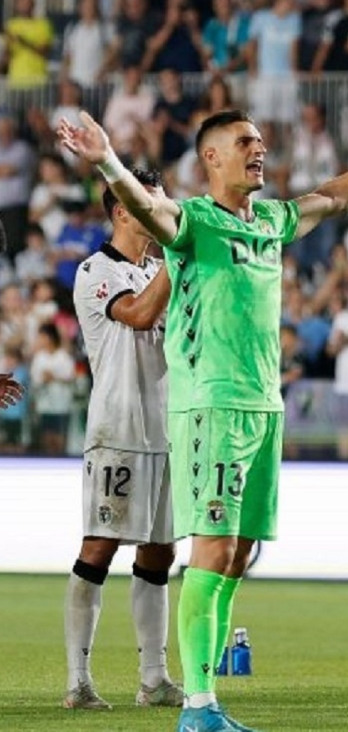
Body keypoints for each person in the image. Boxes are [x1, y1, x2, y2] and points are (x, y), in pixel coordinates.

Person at [58, 106, 348, 732]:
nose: (259, 149)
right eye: (244, 142)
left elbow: (337, 197)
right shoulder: (193, 223)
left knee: (239, 554)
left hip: (264, 407)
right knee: (210, 550)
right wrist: (107, 160)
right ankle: (198, 706)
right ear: (211, 158)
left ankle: (197, 695)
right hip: (209, 404)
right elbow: (153, 211)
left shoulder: (273, 221)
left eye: (260, 141)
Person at [64, 167, 181, 711]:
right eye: (146, 204)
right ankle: (78, 681)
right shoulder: (96, 271)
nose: (157, 215)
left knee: (160, 554)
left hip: (167, 430)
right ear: (121, 210)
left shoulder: (161, 266)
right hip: (118, 429)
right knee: (100, 546)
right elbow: (137, 314)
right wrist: (180, 263)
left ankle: (153, 679)